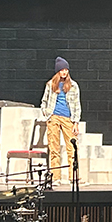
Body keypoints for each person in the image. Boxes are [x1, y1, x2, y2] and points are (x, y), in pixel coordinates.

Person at [40, 56, 81, 186]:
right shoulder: (50, 84)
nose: (64, 72)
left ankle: (73, 177)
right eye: (62, 70)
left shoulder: (73, 85)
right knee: (54, 148)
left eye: (66, 70)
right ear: (57, 71)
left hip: (68, 118)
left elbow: (76, 104)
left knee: (72, 148)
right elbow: (44, 101)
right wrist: (48, 114)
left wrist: (76, 122)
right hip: (54, 117)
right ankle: (55, 178)